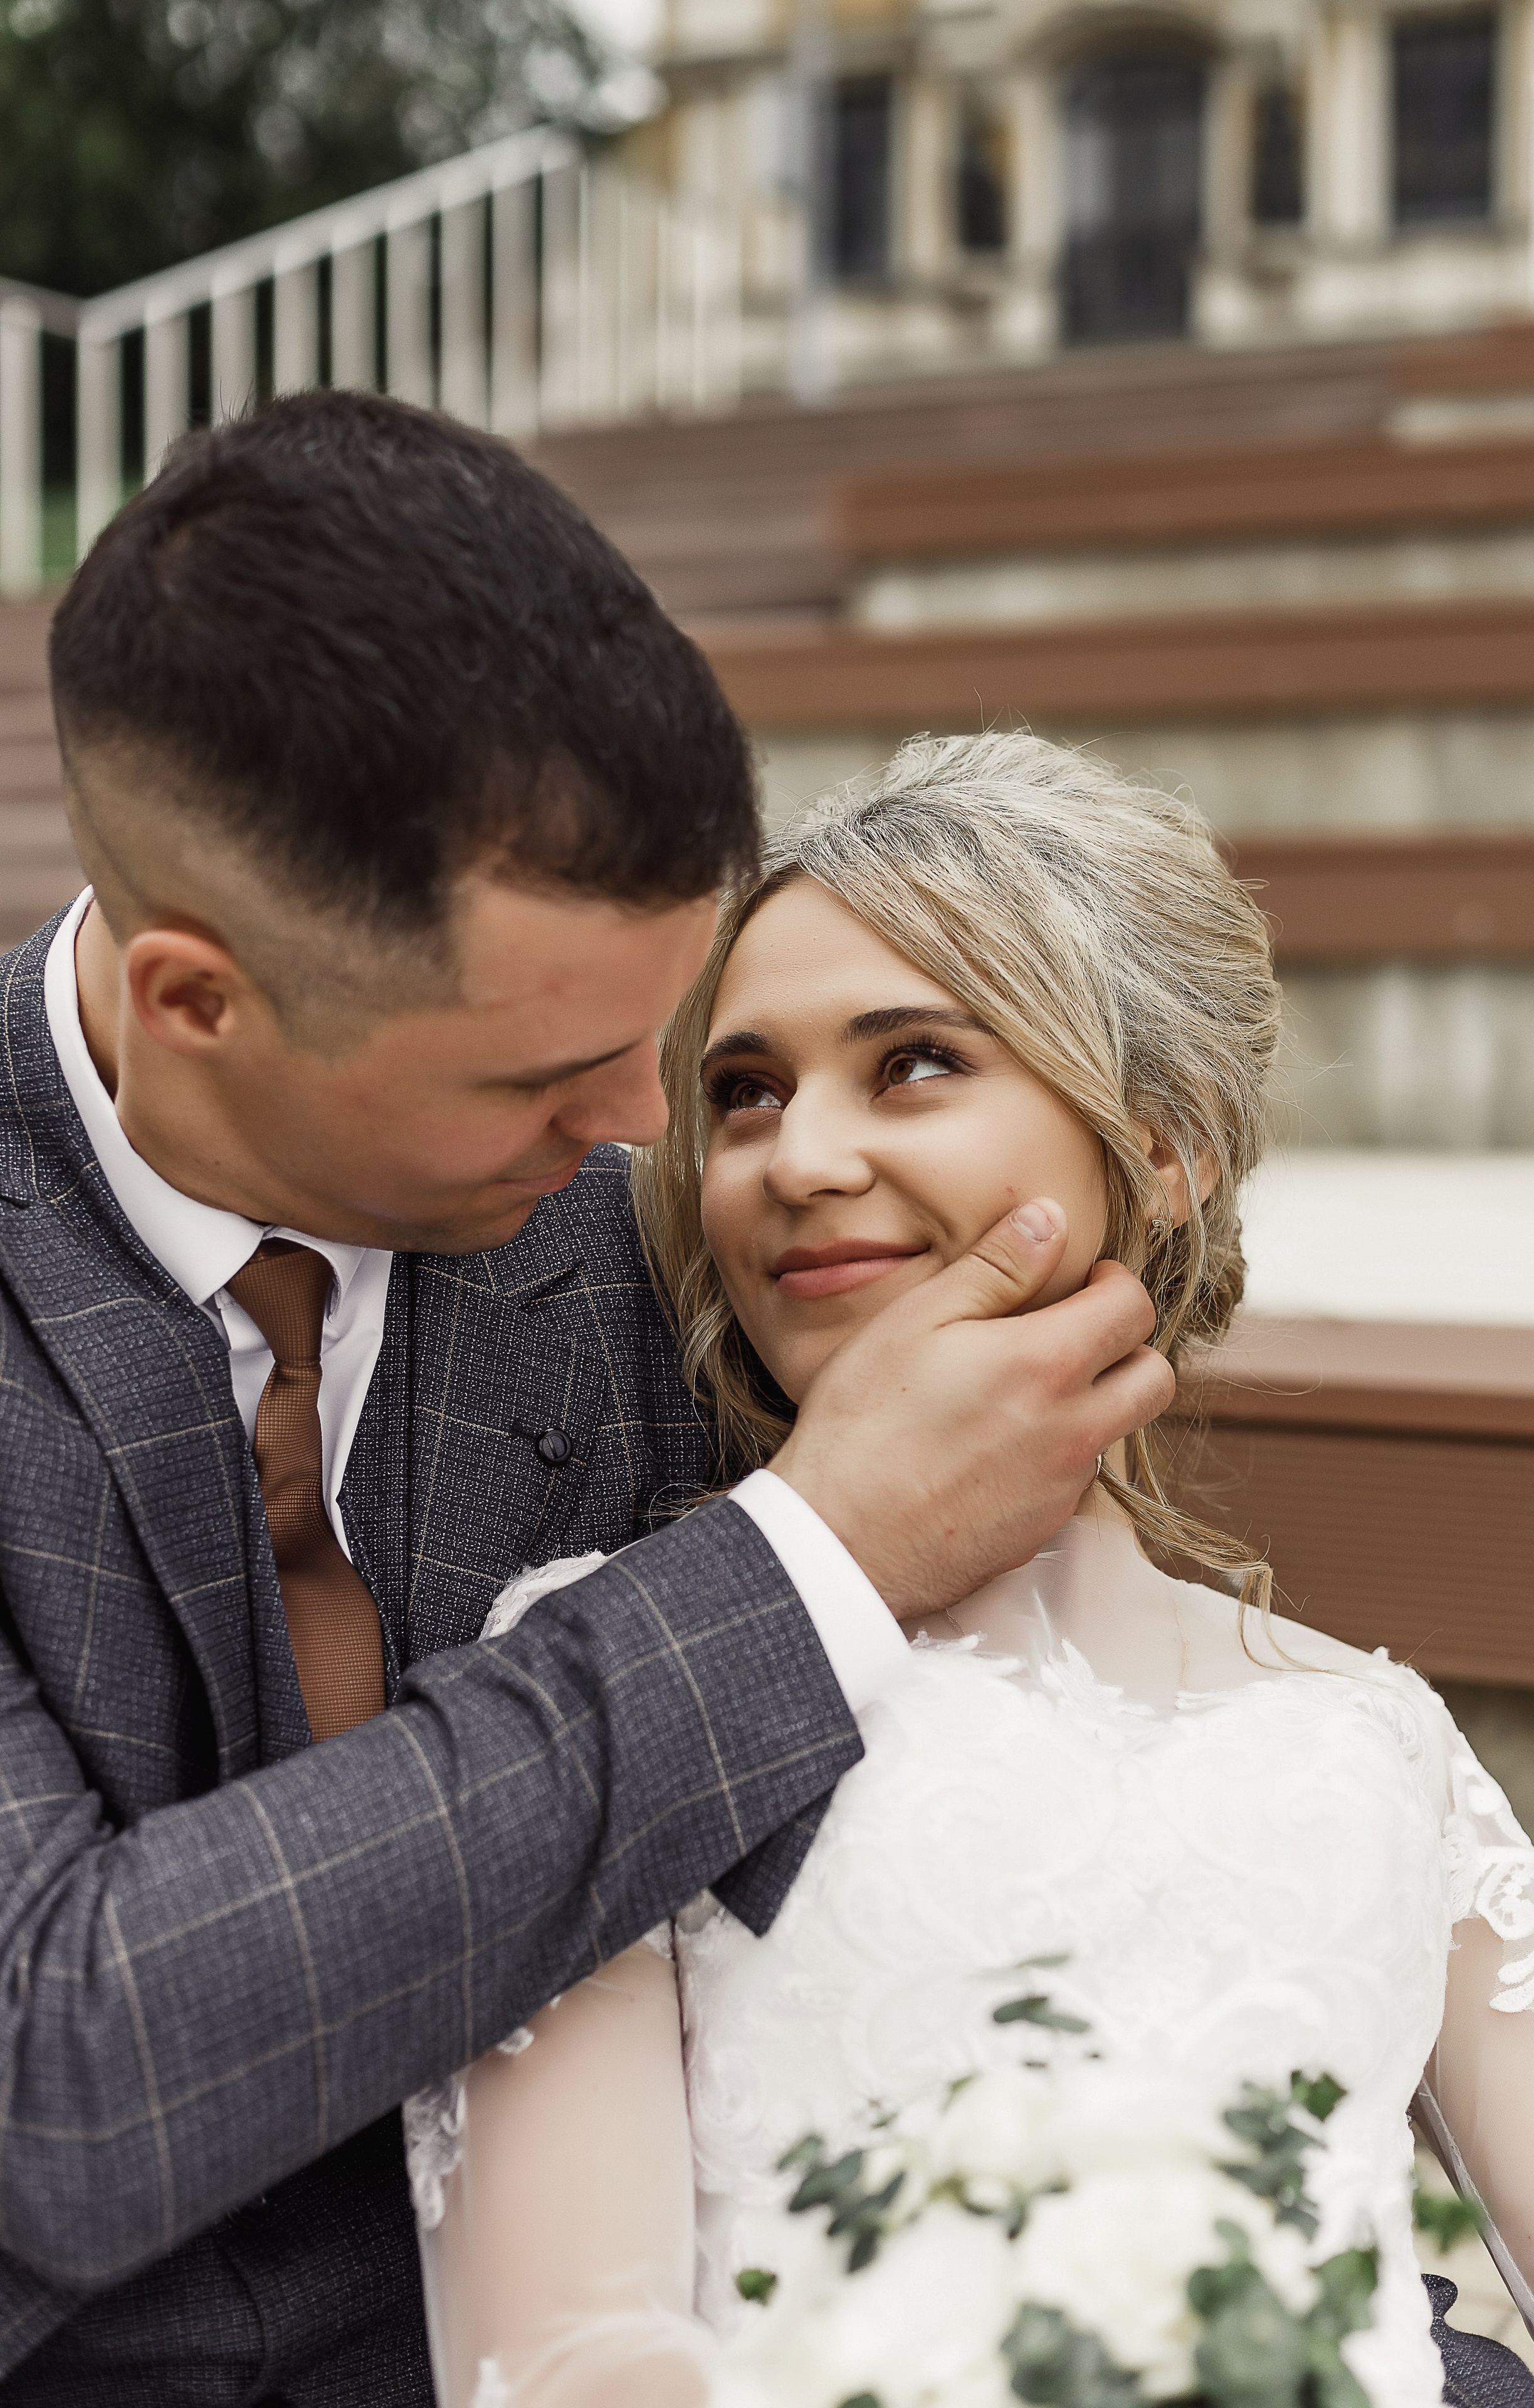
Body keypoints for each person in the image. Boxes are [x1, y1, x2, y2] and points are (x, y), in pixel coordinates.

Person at [0, 401, 1174, 2404]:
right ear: (198, 999)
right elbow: (59, 2087)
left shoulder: (631, 1239)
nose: (642, 1130)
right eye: (537, 1074)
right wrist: (814, 1555)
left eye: (665, 1040)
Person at [414, 734, 1534, 2408]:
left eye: (911, 1064)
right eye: (744, 1091)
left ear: (1167, 1144)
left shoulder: (1372, 1741)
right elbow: (566, 2363)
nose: (799, 1157)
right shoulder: (596, 1671)